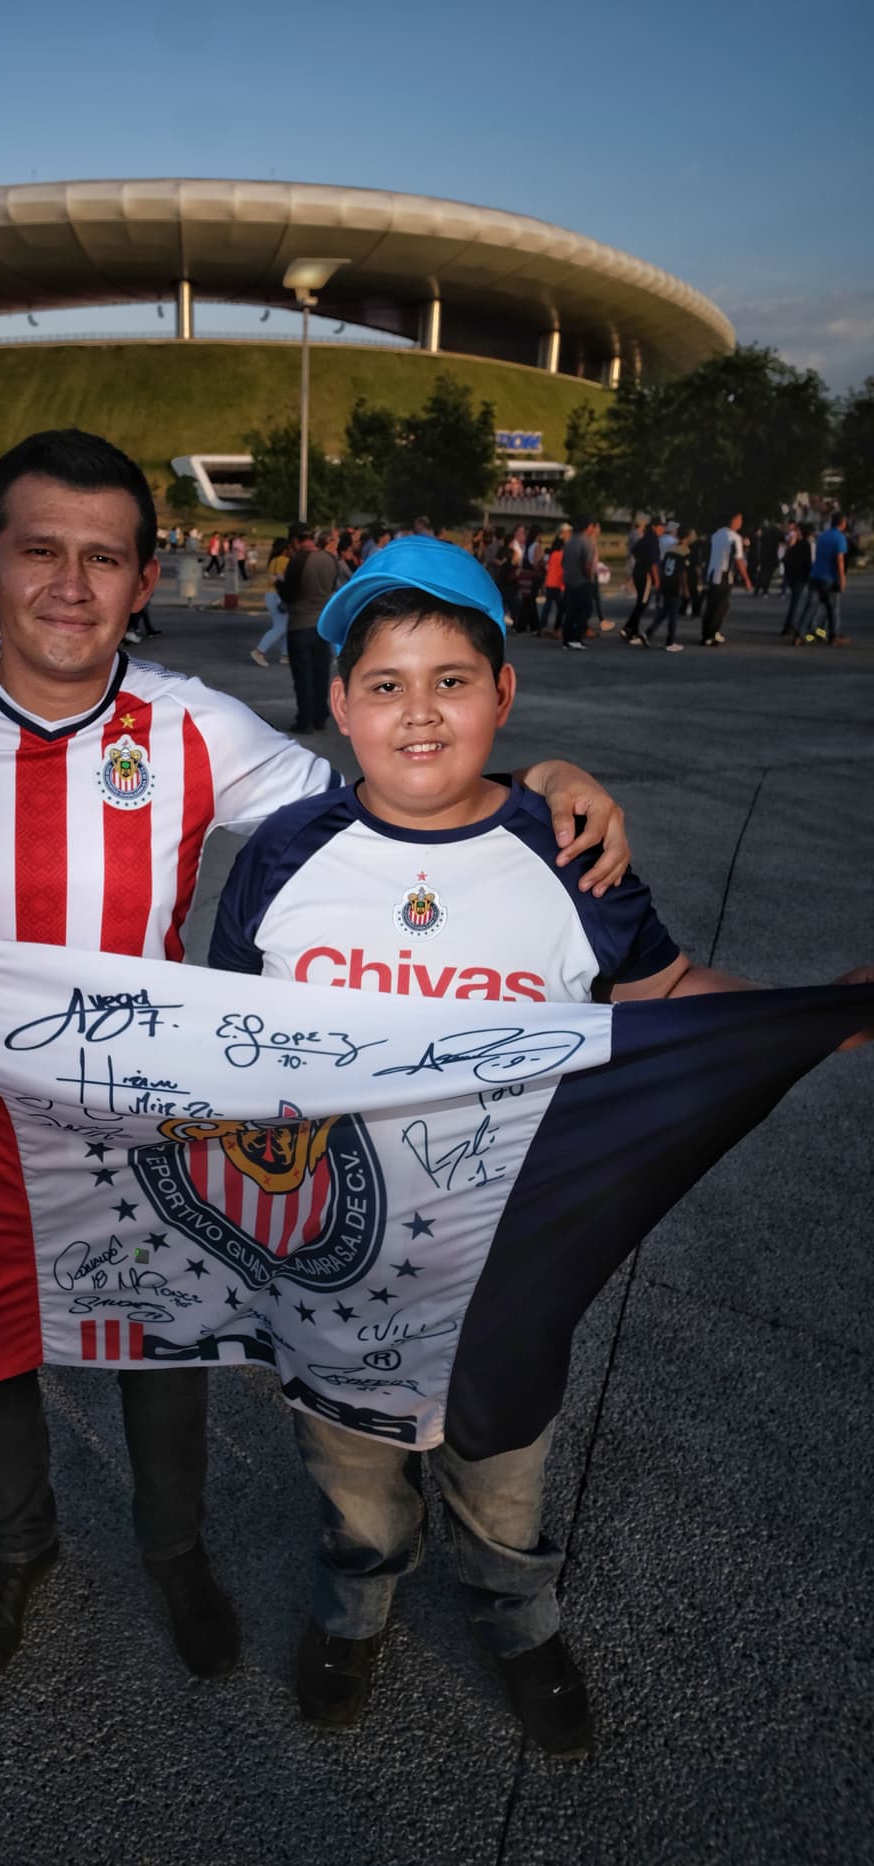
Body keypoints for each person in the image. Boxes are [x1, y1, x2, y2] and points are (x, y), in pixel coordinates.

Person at [0, 428, 632, 1695]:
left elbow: (395, 801)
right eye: (39, 551)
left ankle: (174, 1552)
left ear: (144, 580)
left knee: (165, 1353)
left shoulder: (194, 726)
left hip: (145, 1116)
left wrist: (536, 781)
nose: (70, 585)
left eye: (104, 558)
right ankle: (16, 1548)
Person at [207, 536, 871, 1752]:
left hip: (506, 1258)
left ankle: (516, 1618)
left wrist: (810, 1018)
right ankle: (352, 1606)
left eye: (452, 680)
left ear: (502, 695)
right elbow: (226, 1040)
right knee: (352, 1478)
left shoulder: (567, 854)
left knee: (500, 1481)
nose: (419, 712)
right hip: (334, 1271)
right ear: (339, 700)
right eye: (386, 684)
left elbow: (660, 991)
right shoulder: (284, 857)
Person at [280, 526, 340, 734]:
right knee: (320, 673)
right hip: (322, 624)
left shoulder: (297, 561)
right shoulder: (330, 560)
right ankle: (320, 716)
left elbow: (289, 594)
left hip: (300, 623)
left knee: (303, 675)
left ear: (296, 541)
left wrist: (279, 583)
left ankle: (304, 720)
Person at [798, 511, 849, 647]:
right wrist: (842, 578)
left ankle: (800, 635)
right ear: (843, 523)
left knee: (810, 606)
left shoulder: (823, 536)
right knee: (833, 608)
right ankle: (833, 636)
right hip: (829, 577)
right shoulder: (839, 538)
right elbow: (839, 560)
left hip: (815, 575)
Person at [701, 513, 751, 646]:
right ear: (733, 520)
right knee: (721, 606)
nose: (741, 523)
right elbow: (738, 560)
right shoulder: (734, 538)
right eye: (739, 520)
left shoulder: (716, 535)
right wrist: (746, 579)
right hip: (724, 575)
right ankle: (711, 635)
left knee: (711, 605)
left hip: (712, 573)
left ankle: (706, 633)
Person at [644, 528, 693, 652]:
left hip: (666, 581)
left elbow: (663, 566)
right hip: (675, 583)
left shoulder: (671, 549)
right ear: (687, 536)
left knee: (665, 611)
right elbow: (683, 572)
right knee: (673, 614)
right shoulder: (685, 551)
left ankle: (648, 633)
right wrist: (685, 589)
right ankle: (670, 641)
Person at [620, 514, 663, 644]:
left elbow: (634, 551)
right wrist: (657, 580)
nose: (662, 530)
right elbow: (653, 564)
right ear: (655, 527)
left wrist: (641, 561)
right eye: (661, 527)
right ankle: (629, 629)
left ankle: (630, 628)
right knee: (642, 603)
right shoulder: (653, 540)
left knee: (641, 602)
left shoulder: (645, 538)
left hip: (638, 571)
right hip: (646, 575)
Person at [250, 534, 292, 667]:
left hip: (271, 595)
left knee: (284, 626)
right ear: (285, 549)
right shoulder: (283, 560)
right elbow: (282, 578)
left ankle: (285, 655)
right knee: (281, 627)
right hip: (278, 595)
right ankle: (259, 651)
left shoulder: (273, 560)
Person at [560, 516, 598, 650]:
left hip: (569, 580)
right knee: (585, 610)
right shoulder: (586, 542)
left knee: (570, 611)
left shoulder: (569, 541)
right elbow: (586, 564)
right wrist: (590, 578)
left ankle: (567, 639)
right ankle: (576, 638)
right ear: (588, 527)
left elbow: (563, 562)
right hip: (582, 581)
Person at [780, 523, 813, 640]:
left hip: (792, 576)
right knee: (795, 602)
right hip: (799, 577)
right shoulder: (804, 544)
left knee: (794, 602)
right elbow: (807, 562)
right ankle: (789, 626)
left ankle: (789, 625)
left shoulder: (798, 544)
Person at [541, 529, 566, 633]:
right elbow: (562, 570)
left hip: (549, 583)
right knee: (561, 607)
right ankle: (558, 627)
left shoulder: (552, 554)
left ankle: (541, 626)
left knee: (547, 606)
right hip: (557, 584)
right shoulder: (561, 555)